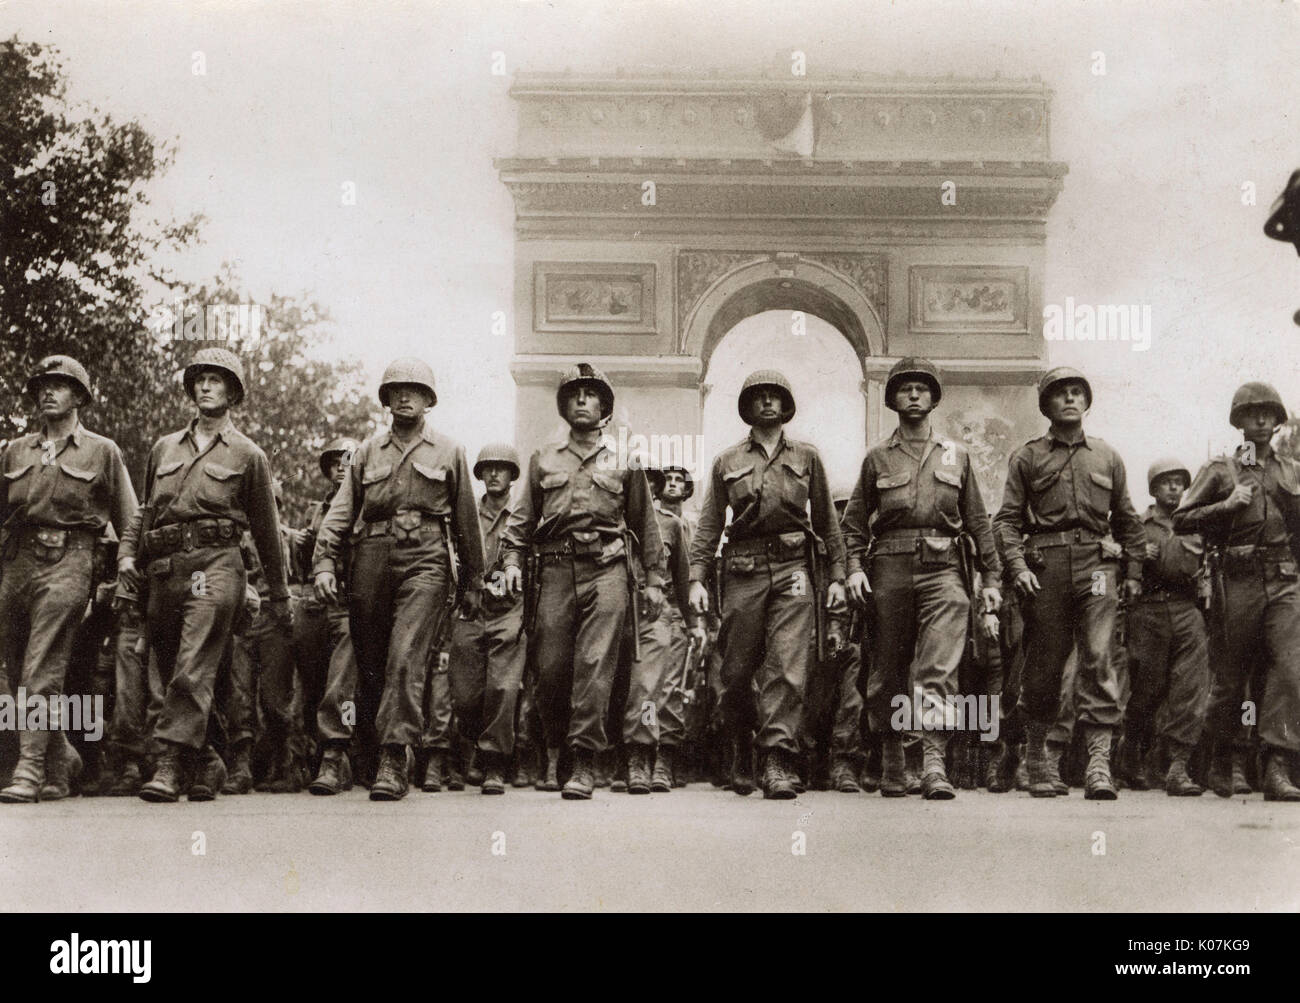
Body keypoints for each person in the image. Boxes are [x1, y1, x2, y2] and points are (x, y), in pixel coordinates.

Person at [118, 347, 290, 804]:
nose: (205, 386)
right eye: (199, 379)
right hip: (166, 569)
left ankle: (171, 761)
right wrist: (126, 558)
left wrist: (279, 594)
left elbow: (268, 531)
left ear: (233, 392)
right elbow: (145, 513)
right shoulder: (164, 448)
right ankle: (210, 757)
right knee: (179, 666)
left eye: (216, 380)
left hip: (217, 564)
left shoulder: (248, 454)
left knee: (192, 664)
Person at [312, 357, 485, 802]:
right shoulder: (366, 451)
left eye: (415, 390)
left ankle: (394, 753)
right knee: (370, 660)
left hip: (426, 558)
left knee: (405, 654)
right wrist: (326, 563)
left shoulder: (449, 451)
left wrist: (473, 581)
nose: (405, 397)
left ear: (429, 400)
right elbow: (341, 512)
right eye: (396, 390)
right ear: (386, 399)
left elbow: (467, 519)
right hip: (370, 556)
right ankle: (367, 750)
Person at [501, 363, 665, 800]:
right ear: (563, 405)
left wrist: (654, 581)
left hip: (607, 569)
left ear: (604, 407)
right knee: (551, 669)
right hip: (554, 570)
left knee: (595, 665)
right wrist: (514, 562)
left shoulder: (625, 460)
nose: (581, 400)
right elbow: (520, 524)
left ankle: (585, 759)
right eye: (574, 393)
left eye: (591, 394)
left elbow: (645, 525)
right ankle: (558, 744)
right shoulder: (543, 458)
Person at [843, 358, 1001, 799]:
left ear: (933, 399)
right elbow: (853, 524)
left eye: (921, 389)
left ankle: (933, 764)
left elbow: (978, 522)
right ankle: (894, 758)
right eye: (905, 389)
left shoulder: (956, 455)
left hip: (944, 570)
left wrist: (991, 580)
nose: (913, 395)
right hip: (888, 569)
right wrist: (854, 569)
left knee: (938, 669)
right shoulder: (877, 456)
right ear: (892, 399)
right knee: (886, 672)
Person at [688, 370, 846, 799]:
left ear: (787, 405)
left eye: (776, 396)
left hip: (794, 567)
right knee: (735, 669)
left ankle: (777, 758)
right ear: (747, 407)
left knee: (788, 665)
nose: (768, 403)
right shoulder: (727, 461)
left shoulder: (808, 457)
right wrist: (697, 579)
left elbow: (829, 524)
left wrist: (836, 577)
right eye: (759, 397)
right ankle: (740, 742)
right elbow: (707, 527)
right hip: (743, 568)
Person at [992, 366, 1145, 800]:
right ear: (1047, 405)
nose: (1071, 399)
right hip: (1048, 567)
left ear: (1087, 401)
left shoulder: (1107, 457)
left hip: (1097, 568)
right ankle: (1037, 756)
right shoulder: (1028, 457)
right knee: (1044, 666)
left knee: (1099, 655)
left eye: (1078, 392)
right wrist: (1018, 567)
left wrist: (1132, 573)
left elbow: (1128, 520)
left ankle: (1099, 764)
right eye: (1061, 394)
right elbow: (1006, 521)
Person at [0, 356, 138, 803]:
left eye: (60, 385)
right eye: (43, 385)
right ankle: (61, 761)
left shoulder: (102, 451)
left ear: (79, 397)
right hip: (17, 561)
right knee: (18, 670)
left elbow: (131, 520)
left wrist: (126, 568)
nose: (48, 392)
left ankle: (29, 769)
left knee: (43, 664)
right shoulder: (15, 450)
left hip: (72, 559)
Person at [1173, 382, 1300, 801]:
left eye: (1269, 413)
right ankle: (1219, 755)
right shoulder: (1223, 469)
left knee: (1291, 668)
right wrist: (1226, 506)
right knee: (1230, 679)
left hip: (1284, 577)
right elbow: (1181, 519)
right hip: (1238, 577)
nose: (1262, 420)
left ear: (1279, 419)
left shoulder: (1292, 470)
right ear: (1239, 421)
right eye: (1252, 413)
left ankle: (1277, 764)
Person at [1118, 457, 1209, 796]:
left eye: (1178, 482)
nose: (1174, 487)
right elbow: (1114, 562)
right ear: (1153, 489)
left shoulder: (1196, 524)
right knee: (1147, 688)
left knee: (1191, 687)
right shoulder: (1137, 526)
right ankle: (1130, 754)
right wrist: (1136, 555)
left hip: (1188, 609)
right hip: (1149, 610)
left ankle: (1178, 767)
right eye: (1166, 482)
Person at [445, 443, 528, 795]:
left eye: (502, 468)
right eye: (488, 468)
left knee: (503, 687)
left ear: (512, 474)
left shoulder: (523, 515)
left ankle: (494, 761)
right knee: (464, 691)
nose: (494, 474)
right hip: (471, 607)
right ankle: (477, 746)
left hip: (509, 607)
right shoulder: (466, 514)